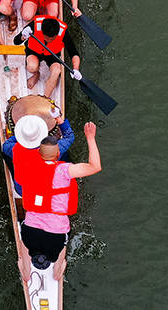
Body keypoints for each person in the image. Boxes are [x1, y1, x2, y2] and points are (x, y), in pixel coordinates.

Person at [13, 120, 102, 283]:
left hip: (30, 232)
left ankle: (25, 270)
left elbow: (19, 176)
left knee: (25, 245)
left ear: (39, 154)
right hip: (55, 234)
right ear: (57, 155)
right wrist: (90, 137)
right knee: (61, 247)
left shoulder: (29, 167)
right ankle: (58, 269)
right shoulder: (64, 170)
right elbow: (95, 166)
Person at [2, 112, 76, 194]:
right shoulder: (53, 149)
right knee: (64, 154)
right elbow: (69, 136)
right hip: (45, 187)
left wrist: (21, 136)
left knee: (6, 156)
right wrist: (59, 120)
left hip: (23, 191)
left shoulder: (15, 150)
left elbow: (5, 145)